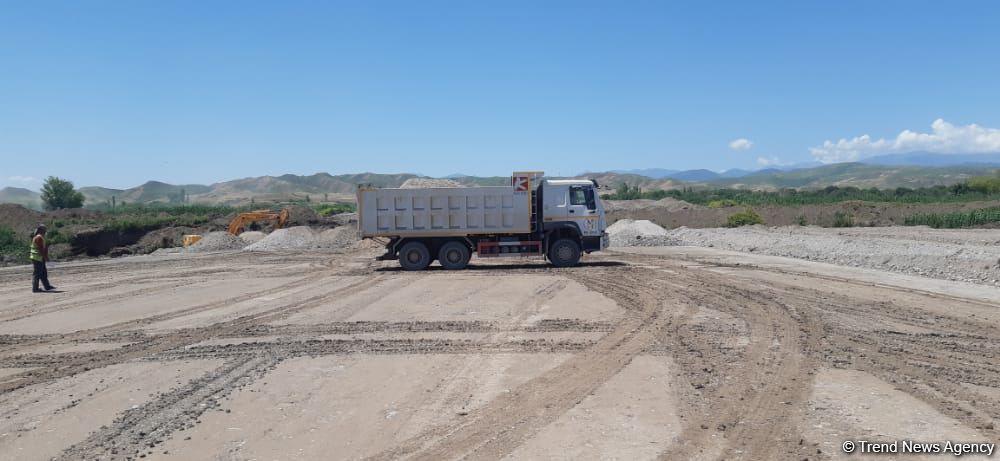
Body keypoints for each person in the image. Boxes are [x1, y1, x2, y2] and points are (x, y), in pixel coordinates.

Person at [30, 224, 55, 292]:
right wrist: (46, 258)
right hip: (37, 257)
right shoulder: (39, 237)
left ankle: (47, 286)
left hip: (39, 257)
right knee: (37, 274)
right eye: (44, 229)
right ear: (41, 230)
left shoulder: (40, 237)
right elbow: (41, 249)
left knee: (43, 273)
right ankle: (35, 288)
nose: (45, 231)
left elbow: (43, 248)